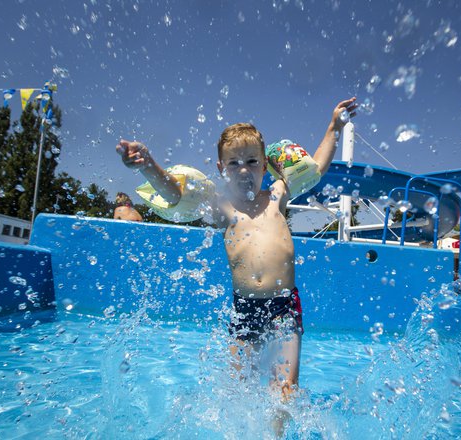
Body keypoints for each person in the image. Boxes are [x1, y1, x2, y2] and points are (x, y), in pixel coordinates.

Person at [116, 97, 356, 433]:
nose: (243, 169)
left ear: (265, 166)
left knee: (284, 393)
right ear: (220, 169)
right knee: (237, 390)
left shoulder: (277, 196)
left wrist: (334, 126)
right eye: (234, 163)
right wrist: (146, 165)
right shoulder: (222, 206)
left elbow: (315, 167)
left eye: (252, 161)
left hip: (284, 306)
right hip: (244, 308)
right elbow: (174, 192)